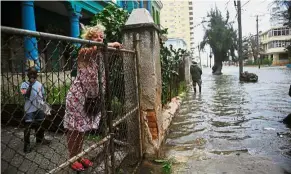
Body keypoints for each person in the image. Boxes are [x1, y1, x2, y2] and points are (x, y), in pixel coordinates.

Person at [63, 23, 122, 171]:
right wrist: (109, 44)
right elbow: (95, 50)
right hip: (77, 97)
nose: (99, 38)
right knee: (74, 129)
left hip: (89, 99)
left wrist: (113, 46)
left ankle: (79, 156)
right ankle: (72, 158)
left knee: (81, 130)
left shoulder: (100, 53)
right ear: (89, 38)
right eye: (96, 36)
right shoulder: (84, 52)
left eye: (101, 36)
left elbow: (111, 50)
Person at [20, 67, 50, 153]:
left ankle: (40, 139)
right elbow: (25, 96)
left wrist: (46, 107)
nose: (32, 75)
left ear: (37, 75)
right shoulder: (24, 84)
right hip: (29, 108)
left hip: (39, 107)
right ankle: (27, 145)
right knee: (28, 126)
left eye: (34, 74)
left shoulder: (40, 84)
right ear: (28, 75)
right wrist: (30, 85)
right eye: (31, 74)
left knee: (40, 123)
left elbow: (43, 96)